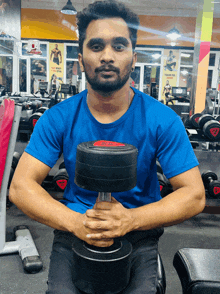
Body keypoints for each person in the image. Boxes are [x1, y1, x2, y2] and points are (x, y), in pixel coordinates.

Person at [9, 1, 205, 294]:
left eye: (119, 46)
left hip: (138, 233)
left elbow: (194, 195)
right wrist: (76, 223)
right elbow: (20, 187)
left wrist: (131, 219)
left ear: (133, 57)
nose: (107, 56)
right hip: (74, 228)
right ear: (81, 57)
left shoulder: (161, 119)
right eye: (97, 46)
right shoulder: (58, 118)